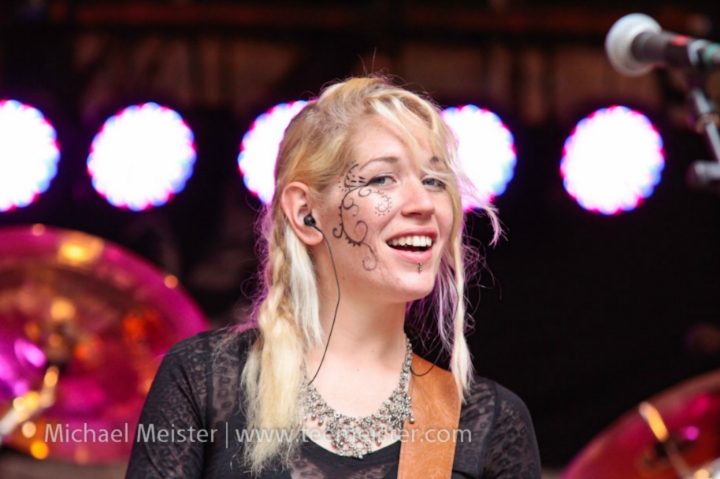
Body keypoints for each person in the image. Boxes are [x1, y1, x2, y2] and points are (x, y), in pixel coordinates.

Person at [125, 76, 541, 478]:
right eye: (383, 178)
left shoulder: (488, 422)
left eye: (434, 180)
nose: (423, 203)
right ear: (307, 214)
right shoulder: (203, 379)